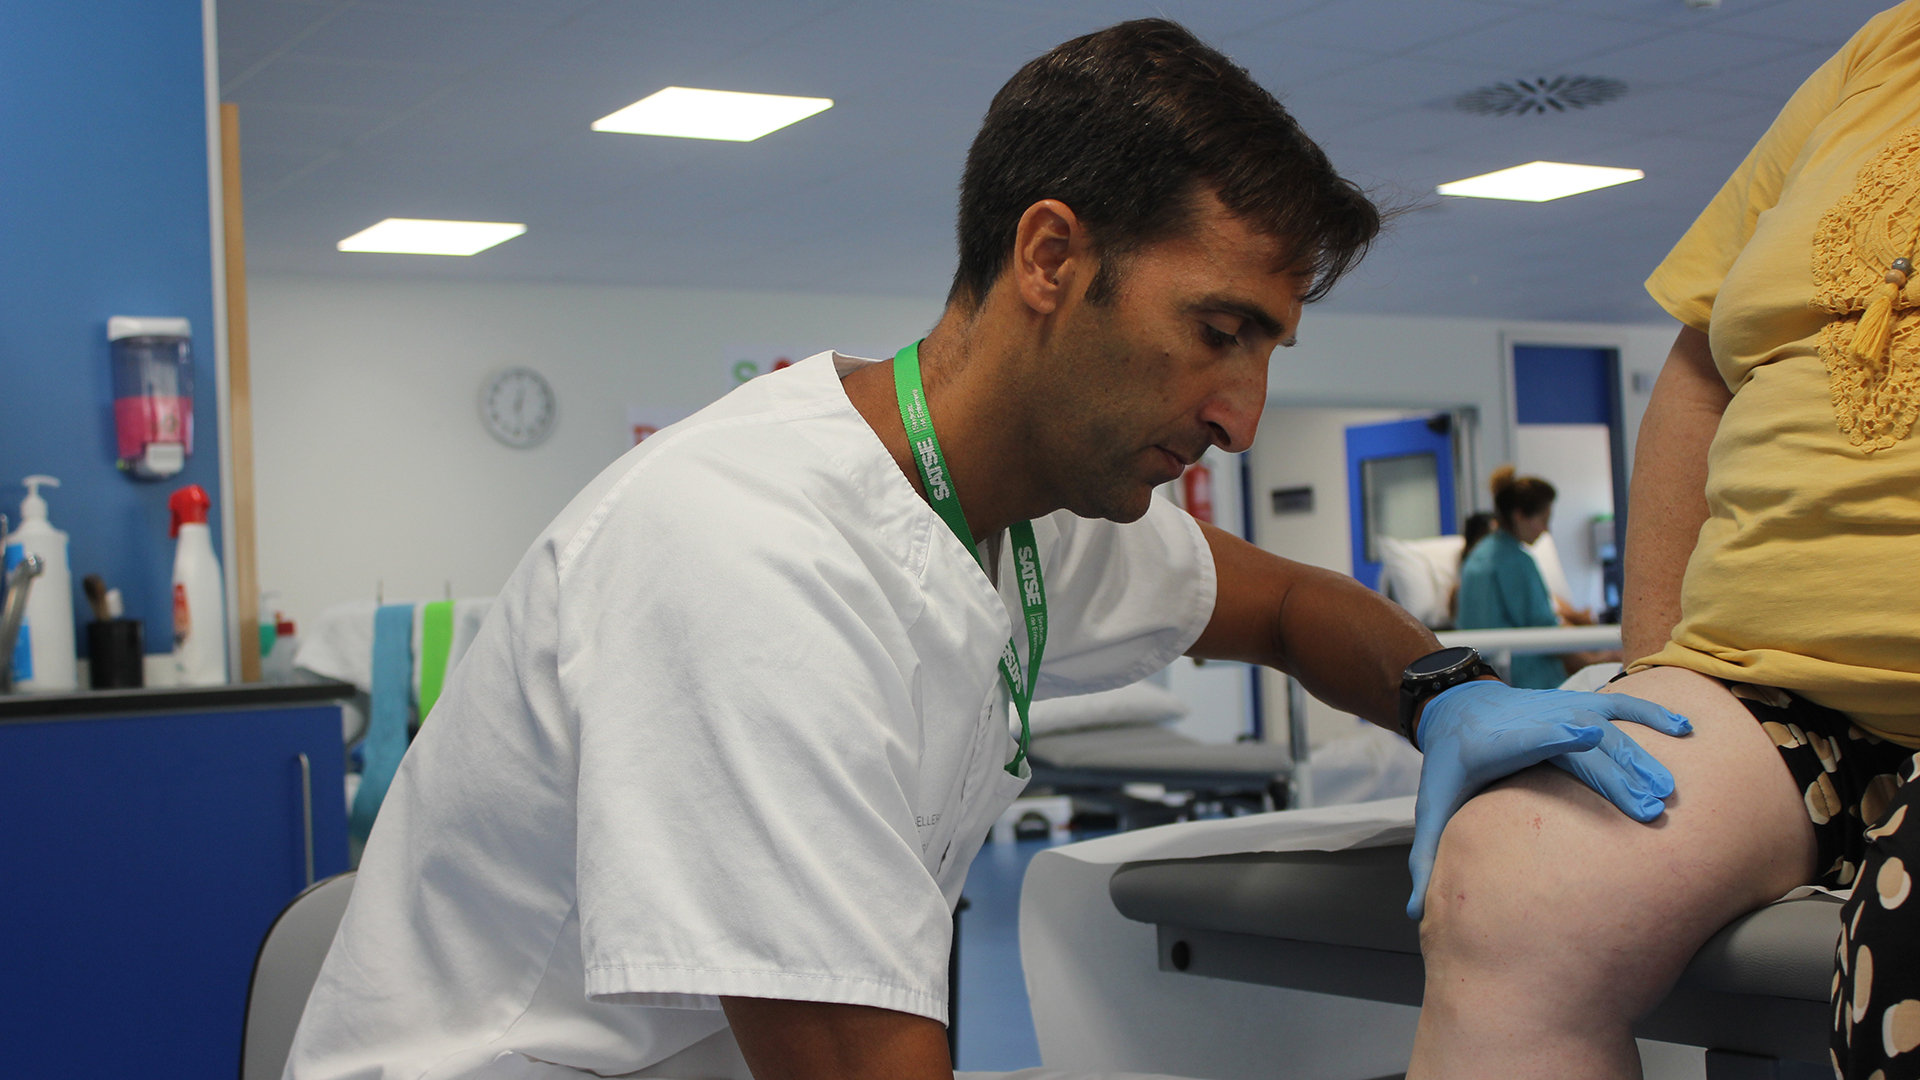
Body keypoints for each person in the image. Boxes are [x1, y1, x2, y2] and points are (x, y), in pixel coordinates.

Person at [287, 19, 1690, 1080]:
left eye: (1269, 348)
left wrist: (1441, 694)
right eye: (1219, 332)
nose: (1243, 417)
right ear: (1049, 257)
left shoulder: (1007, 515)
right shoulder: (756, 561)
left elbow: (1286, 606)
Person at [1409, 4, 1920, 1078]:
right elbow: (1698, 367)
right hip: (1783, 701)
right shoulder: (1882, 54)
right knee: (1507, 875)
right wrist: (1655, 665)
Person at [1456, 467, 1616, 688]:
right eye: (1544, 519)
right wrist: (1596, 662)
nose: (1546, 530)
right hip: (1525, 680)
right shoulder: (1515, 561)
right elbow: (1546, 633)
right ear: (1519, 515)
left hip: (1484, 680)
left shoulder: (1479, 555)